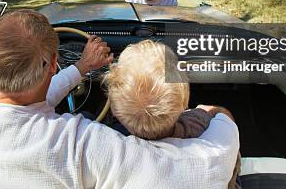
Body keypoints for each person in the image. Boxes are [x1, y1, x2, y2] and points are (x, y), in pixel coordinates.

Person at [0, 9, 239, 189]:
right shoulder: (80, 144)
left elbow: (25, 103)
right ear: (53, 63)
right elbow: (197, 171)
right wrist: (219, 115)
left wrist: (81, 68)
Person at [103, 40, 241, 189]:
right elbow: (224, 116)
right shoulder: (216, 143)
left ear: (114, 109)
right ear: (184, 100)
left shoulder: (106, 149)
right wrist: (203, 110)